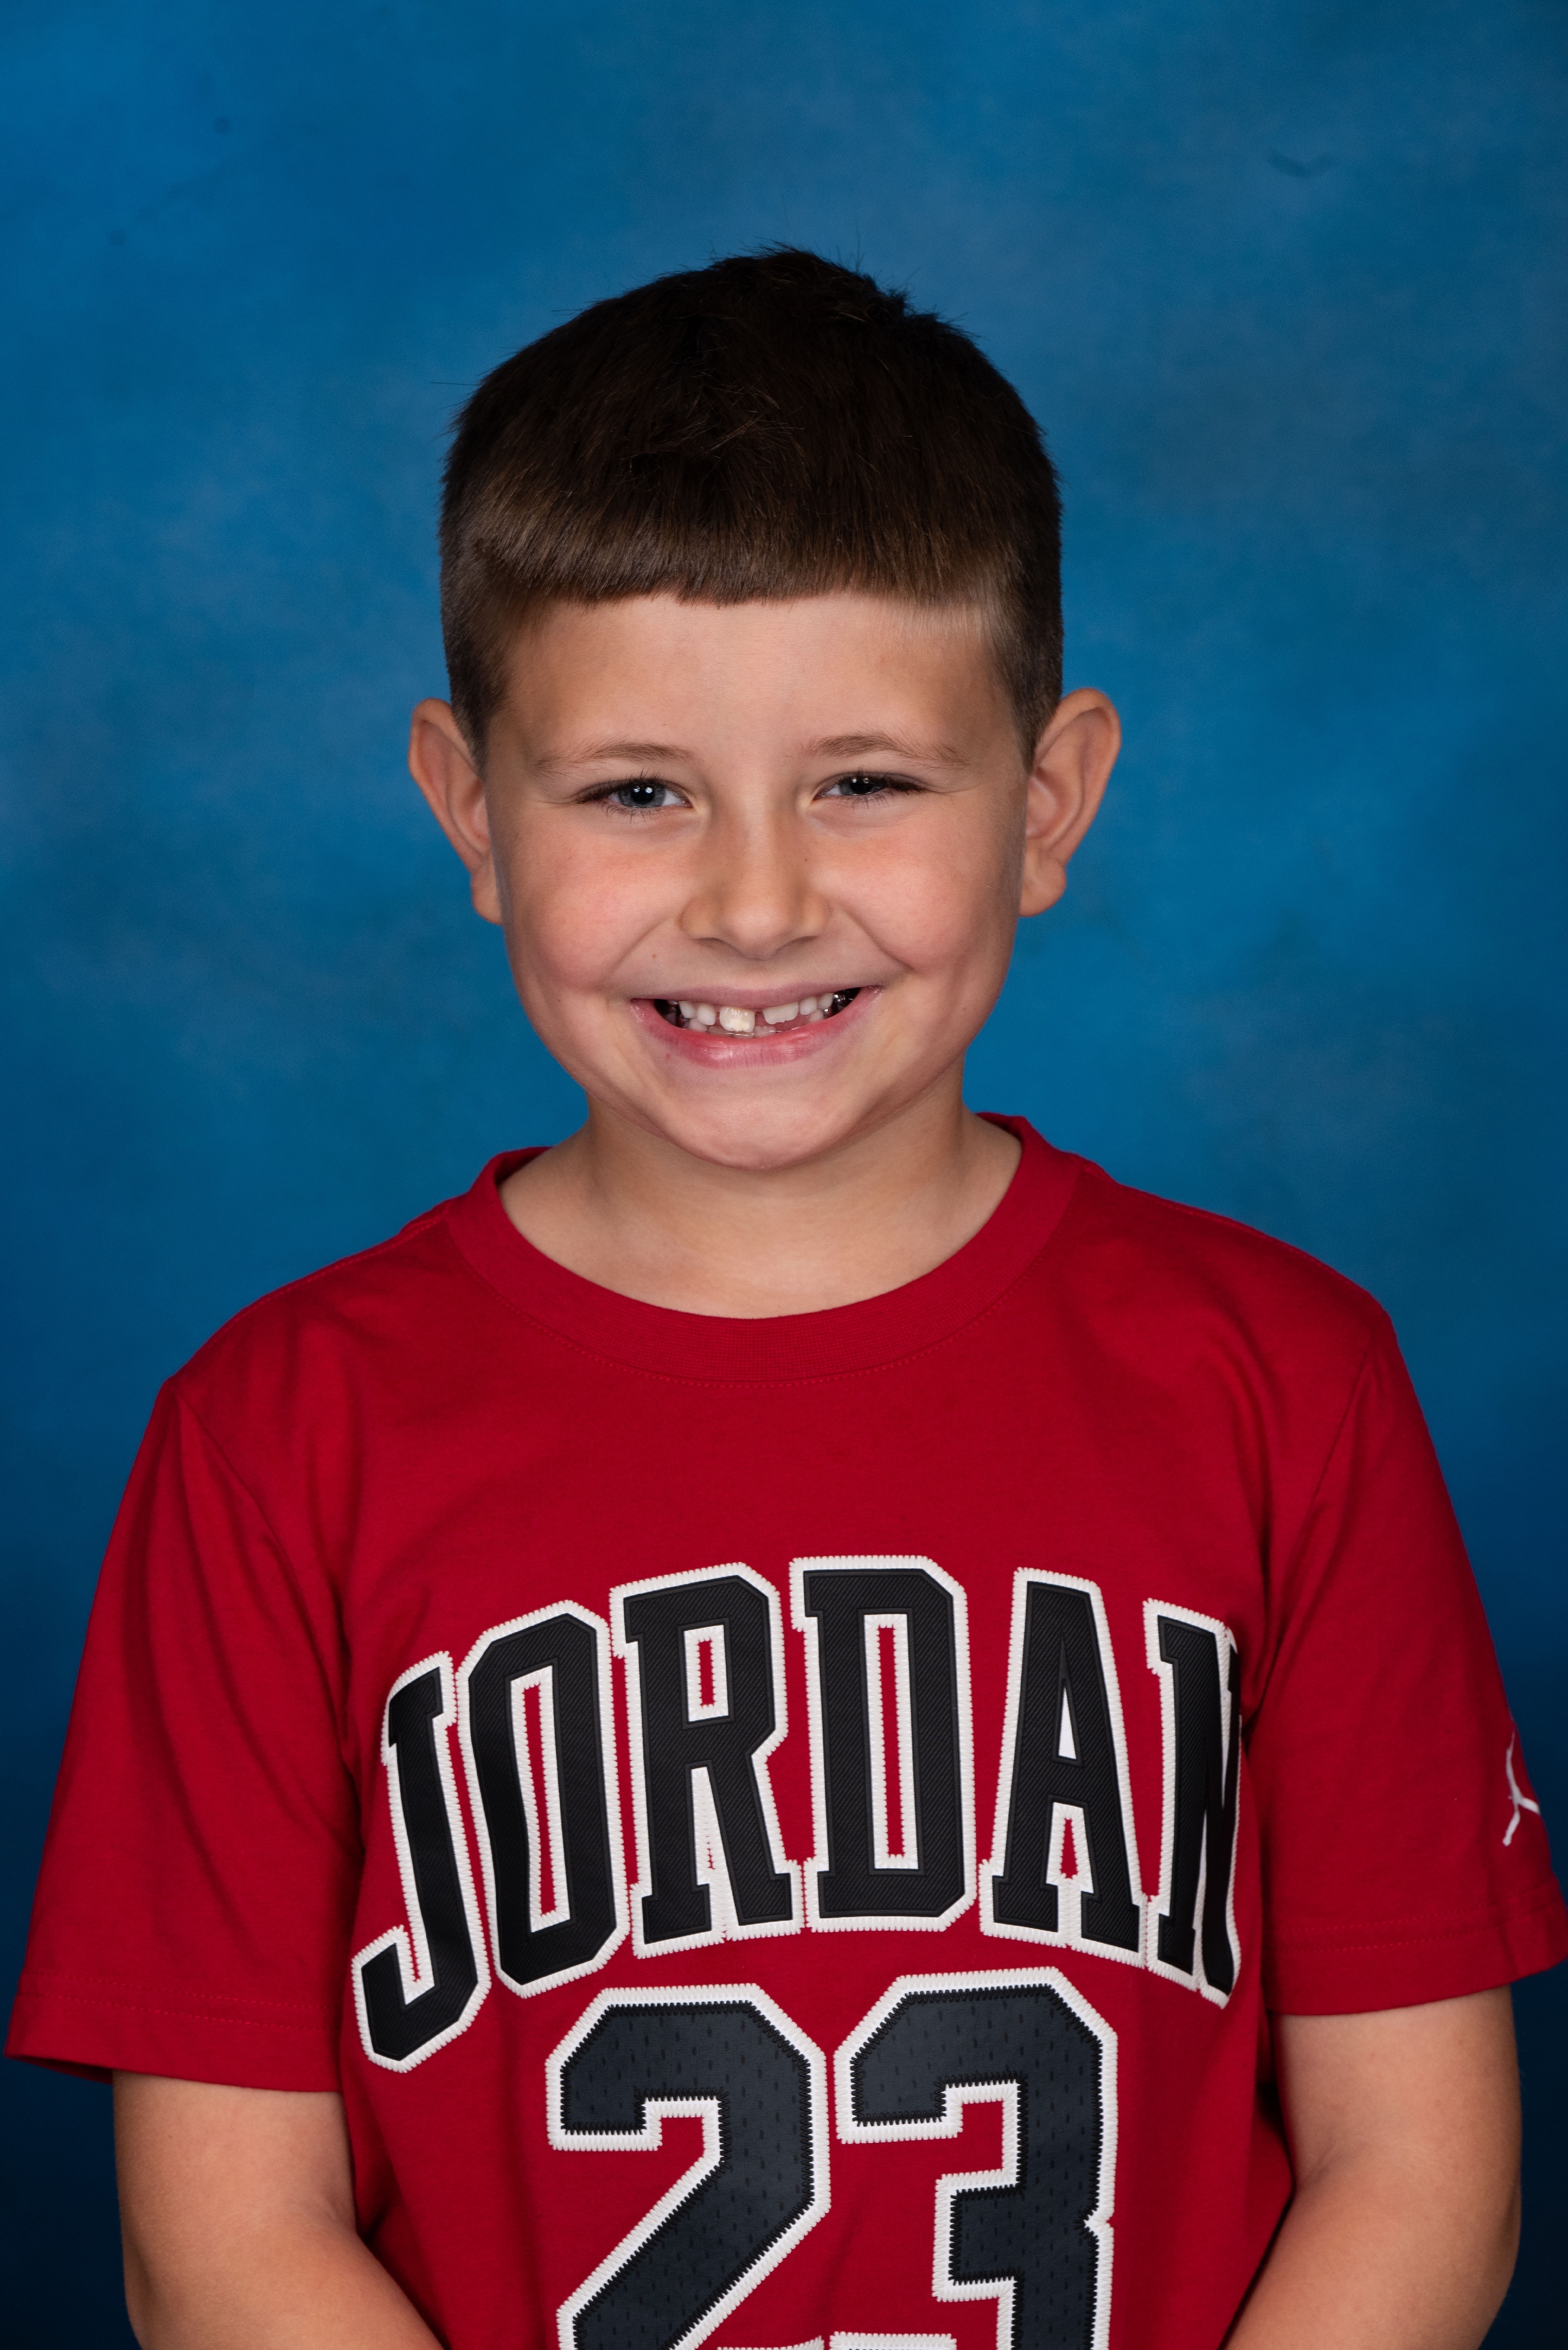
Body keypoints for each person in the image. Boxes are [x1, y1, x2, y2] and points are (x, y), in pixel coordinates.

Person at [8, 250, 1565, 2350]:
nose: (752, 902)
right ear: (471, 810)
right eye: (635, 791)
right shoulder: (277, 1433)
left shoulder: (1283, 1381)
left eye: (866, 781)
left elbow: (1422, 2179)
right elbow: (217, 2252)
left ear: (1047, 802)